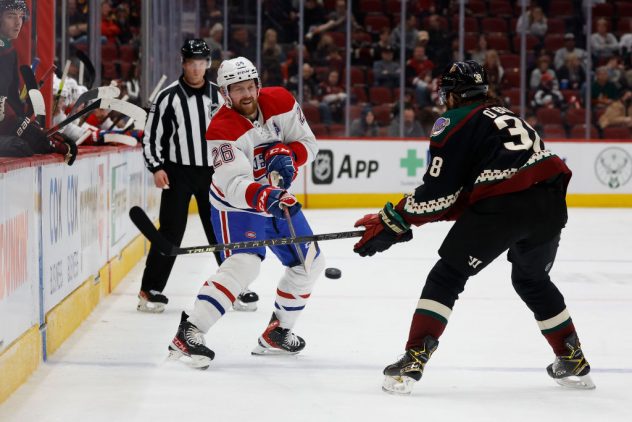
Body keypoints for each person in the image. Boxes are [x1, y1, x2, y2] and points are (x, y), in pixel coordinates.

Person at [353, 60, 594, 395]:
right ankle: (571, 355)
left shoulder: (452, 120)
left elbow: (439, 194)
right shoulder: (503, 114)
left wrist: (394, 220)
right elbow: (466, 197)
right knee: (532, 279)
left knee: (446, 276)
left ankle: (414, 357)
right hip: (550, 205)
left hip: (507, 206)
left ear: (452, 95)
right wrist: (399, 223)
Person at [167, 57, 325, 369]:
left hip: (277, 199)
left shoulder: (280, 100)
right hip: (237, 207)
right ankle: (190, 332)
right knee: (244, 265)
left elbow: (309, 143)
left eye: (249, 86)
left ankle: (277, 333)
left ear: (258, 85)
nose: (246, 94)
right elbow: (233, 182)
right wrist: (266, 195)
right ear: (225, 94)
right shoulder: (221, 128)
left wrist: (288, 154)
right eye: (237, 89)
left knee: (311, 264)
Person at [139, 39, 258, 313]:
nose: (196, 68)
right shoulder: (167, 97)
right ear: (183, 63)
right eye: (191, 62)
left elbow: (242, 130)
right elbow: (151, 137)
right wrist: (156, 167)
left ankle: (236, 286)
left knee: (221, 229)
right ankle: (150, 289)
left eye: (201, 62)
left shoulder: (222, 96)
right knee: (170, 232)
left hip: (214, 173)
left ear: (208, 64)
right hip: (176, 172)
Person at [0, 0, 76, 163]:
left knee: (35, 142)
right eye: (11, 16)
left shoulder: (9, 51)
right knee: (19, 146)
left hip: (4, 127)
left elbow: (12, 100)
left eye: (21, 17)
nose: (17, 22)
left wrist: (35, 131)